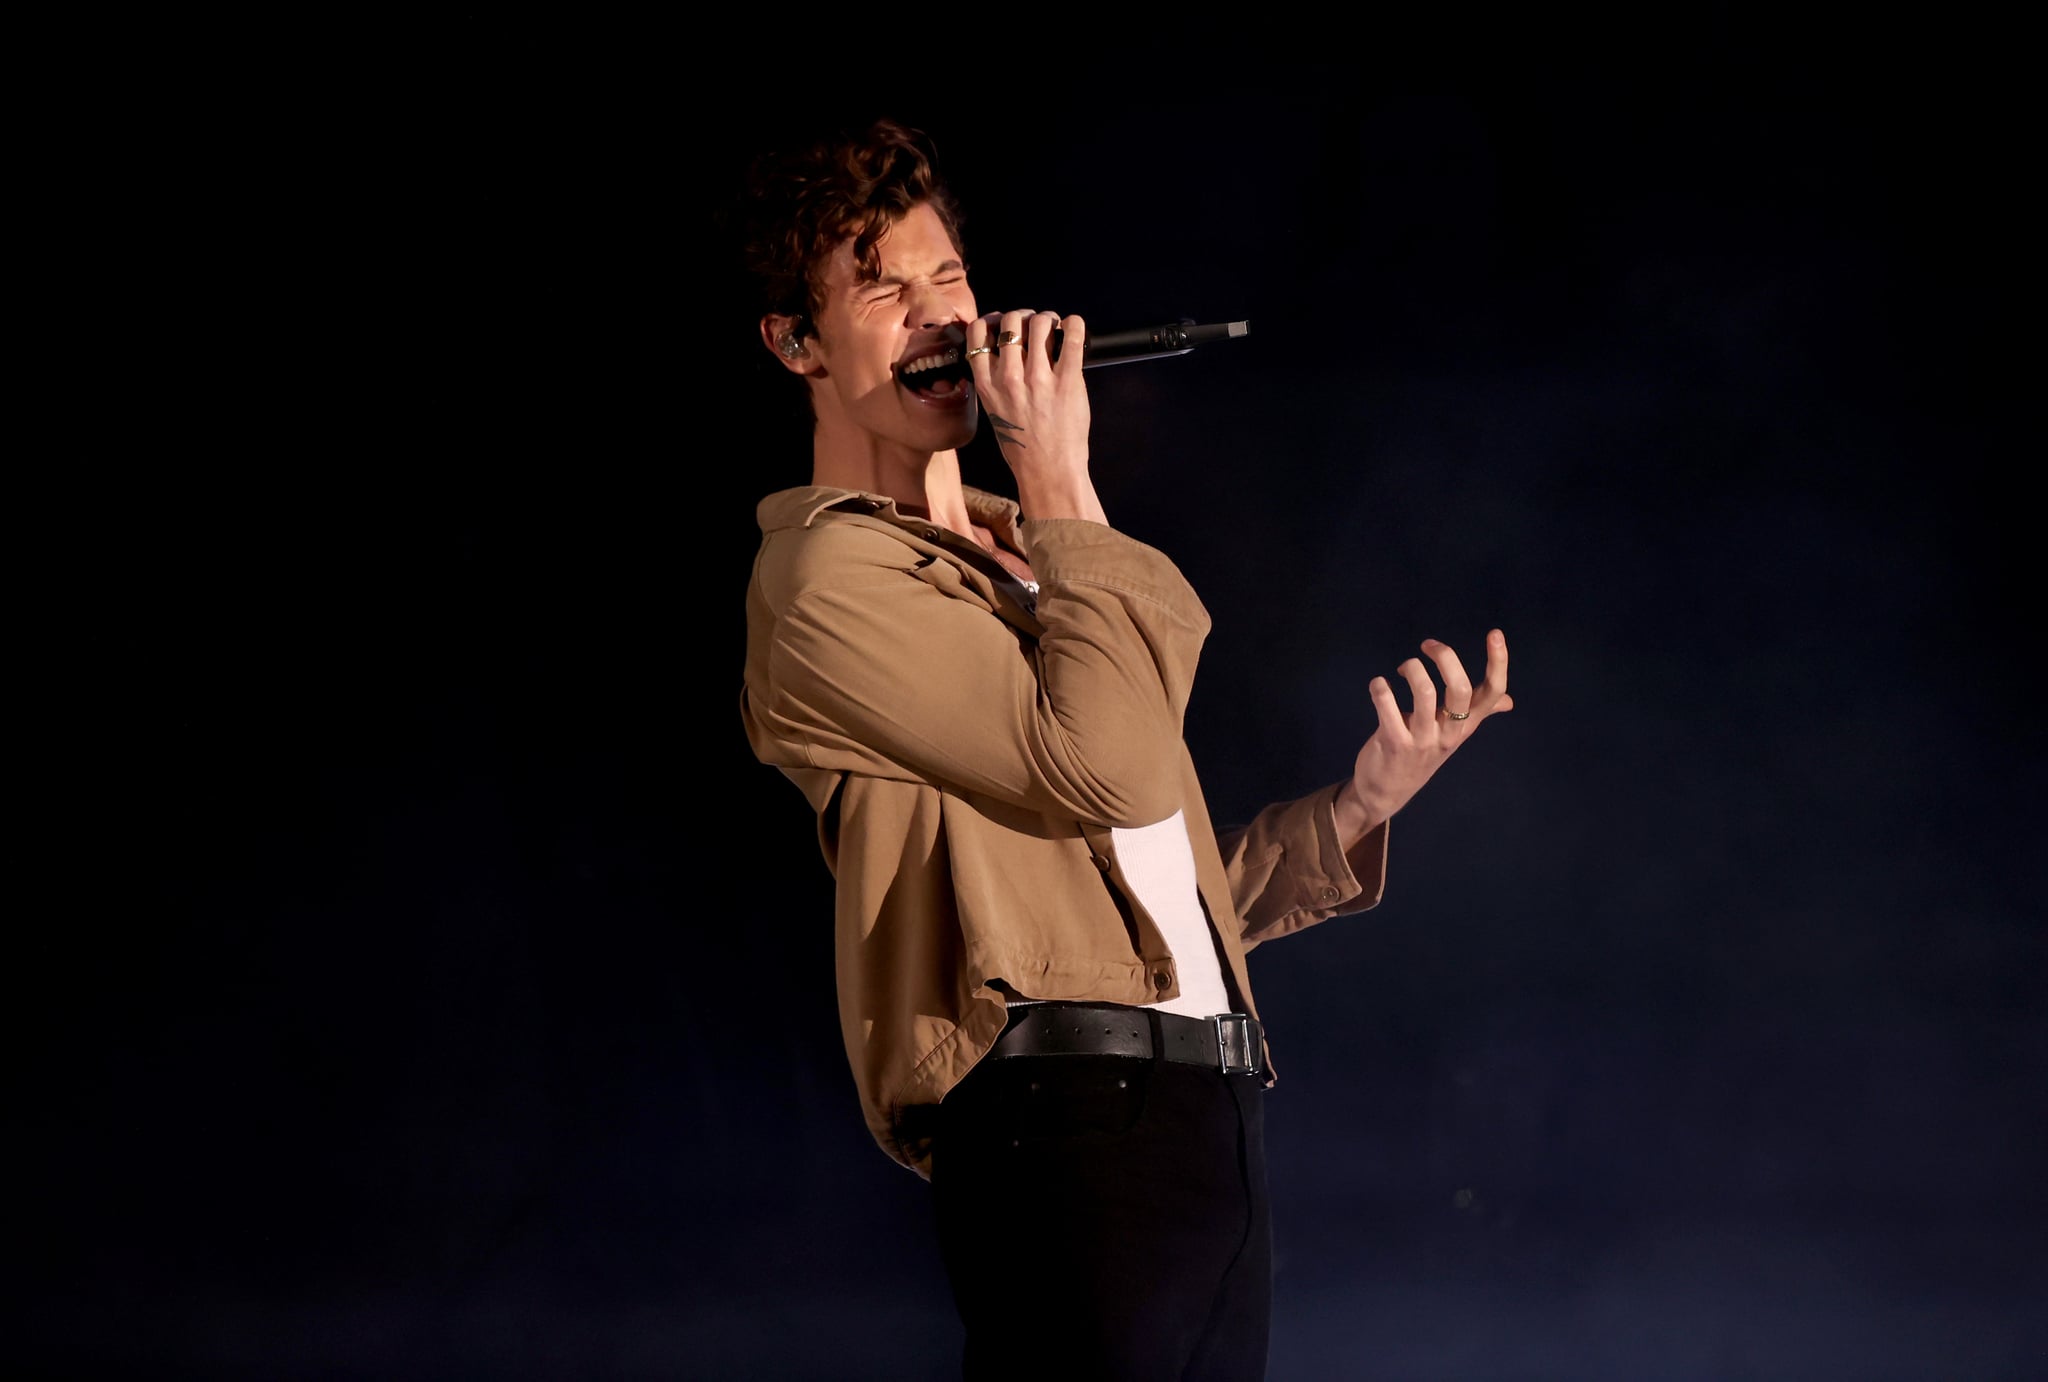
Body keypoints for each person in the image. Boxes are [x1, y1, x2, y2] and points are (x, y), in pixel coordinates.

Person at [734, 117, 1512, 1382]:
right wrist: (1054, 472)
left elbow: (1129, 897)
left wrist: (1351, 812)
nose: (939, 316)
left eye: (949, 279)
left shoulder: (1026, 557)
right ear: (794, 341)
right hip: (1064, 1122)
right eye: (881, 287)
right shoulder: (832, 577)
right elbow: (1111, 767)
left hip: (1195, 1109)